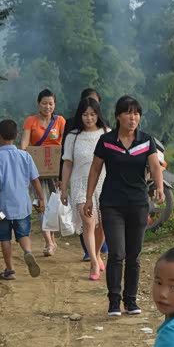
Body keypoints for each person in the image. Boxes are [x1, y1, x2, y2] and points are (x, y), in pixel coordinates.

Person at [85, 95, 165, 317]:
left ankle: (131, 300)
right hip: (112, 204)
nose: (133, 118)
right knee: (117, 253)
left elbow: (155, 167)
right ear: (118, 116)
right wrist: (89, 197)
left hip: (138, 204)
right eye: (128, 113)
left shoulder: (146, 140)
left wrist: (159, 187)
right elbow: (95, 169)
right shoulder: (106, 141)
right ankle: (114, 301)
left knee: (133, 255)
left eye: (136, 113)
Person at [60, 97, 110, 280]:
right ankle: (94, 262)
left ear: (98, 115)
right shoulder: (72, 137)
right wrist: (64, 188)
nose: (89, 118)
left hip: (103, 183)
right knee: (88, 222)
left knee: (102, 224)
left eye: (92, 114)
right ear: (79, 116)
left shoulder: (106, 133)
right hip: (80, 184)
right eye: (85, 114)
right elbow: (67, 163)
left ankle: (96, 253)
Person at [0, 120, 43, 280]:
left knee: (5, 237)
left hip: (3, 209)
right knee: (23, 234)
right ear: (17, 136)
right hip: (22, 206)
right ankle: (28, 252)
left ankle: (10, 270)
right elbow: (35, 180)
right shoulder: (25, 156)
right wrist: (40, 199)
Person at [21, 89, 66, 257]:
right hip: (36, 170)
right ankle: (48, 241)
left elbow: (65, 143)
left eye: (51, 103)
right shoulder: (30, 121)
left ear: (55, 105)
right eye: (44, 103)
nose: (48, 107)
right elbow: (24, 144)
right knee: (41, 204)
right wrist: (25, 157)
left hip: (56, 170)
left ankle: (52, 238)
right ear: (38, 104)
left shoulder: (60, 121)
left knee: (55, 205)